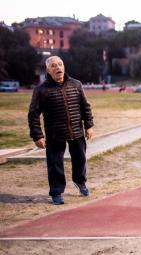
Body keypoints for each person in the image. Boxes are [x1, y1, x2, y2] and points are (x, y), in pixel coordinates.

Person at [28, 56, 94, 205]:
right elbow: (33, 115)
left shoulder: (76, 84)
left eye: (60, 64)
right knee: (55, 164)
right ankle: (56, 192)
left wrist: (89, 125)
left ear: (64, 67)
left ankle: (80, 182)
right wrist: (37, 136)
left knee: (80, 160)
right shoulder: (41, 90)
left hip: (76, 130)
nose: (58, 67)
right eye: (53, 66)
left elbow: (85, 106)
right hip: (54, 134)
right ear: (48, 70)